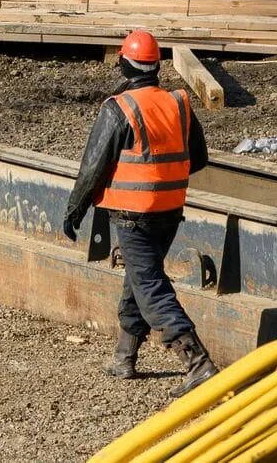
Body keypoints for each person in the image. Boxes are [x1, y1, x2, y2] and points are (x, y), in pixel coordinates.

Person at [62, 28, 218, 390]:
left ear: (122, 63)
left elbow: (93, 167)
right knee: (139, 278)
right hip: (170, 208)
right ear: (156, 67)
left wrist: (75, 211)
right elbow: (199, 158)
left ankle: (196, 362)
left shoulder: (119, 108)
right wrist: (164, 178)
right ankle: (124, 356)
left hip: (134, 215)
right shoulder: (178, 102)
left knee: (149, 286)